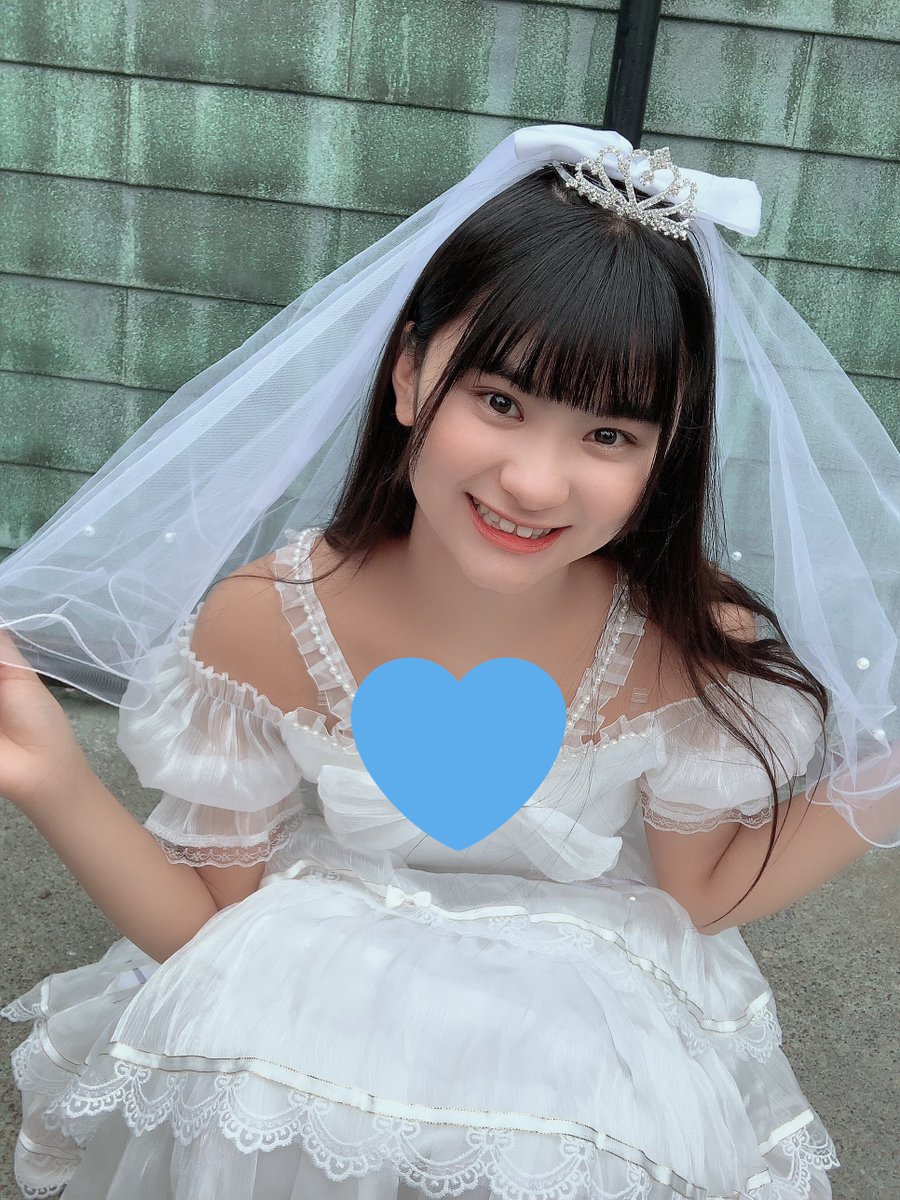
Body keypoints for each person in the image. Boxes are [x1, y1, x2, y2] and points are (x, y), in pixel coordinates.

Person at [0, 127, 897, 1199]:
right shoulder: (265, 622)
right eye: (501, 402)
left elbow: (699, 891)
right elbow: (207, 927)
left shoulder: (686, 642)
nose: (535, 482)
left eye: (609, 436)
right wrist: (52, 775)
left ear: (667, 455)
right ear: (409, 374)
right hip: (303, 1021)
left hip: (577, 1047)